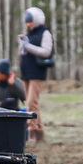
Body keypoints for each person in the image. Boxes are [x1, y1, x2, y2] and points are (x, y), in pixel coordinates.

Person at [16, 7, 54, 140]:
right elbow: (22, 53)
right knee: (31, 103)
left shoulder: (45, 33)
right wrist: (22, 44)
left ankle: (32, 130)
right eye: (27, 22)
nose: (28, 24)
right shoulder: (29, 34)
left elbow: (46, 51)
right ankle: (39, 131)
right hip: (26, 72)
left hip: (37, 72)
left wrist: (28, 46)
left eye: (30, 21)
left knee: (32, 102)